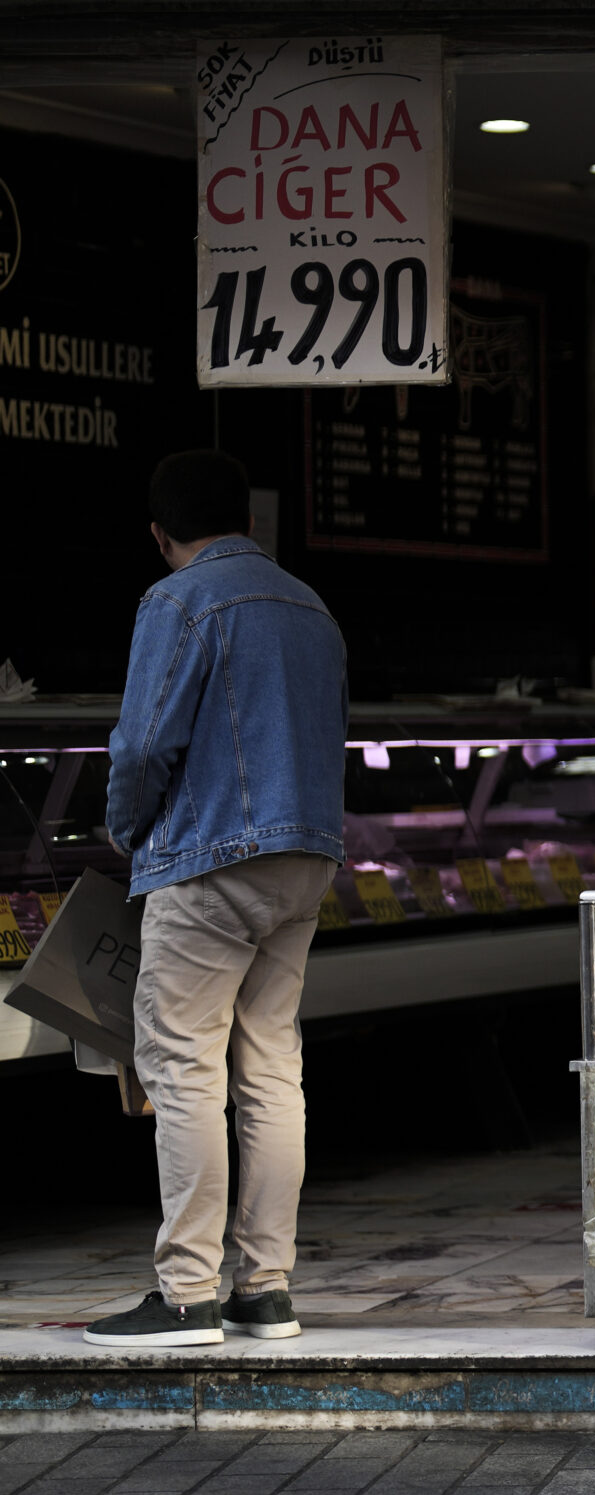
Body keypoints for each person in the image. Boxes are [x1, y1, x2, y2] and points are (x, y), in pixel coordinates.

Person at [86, 451, 348, 1348]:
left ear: (161, 534)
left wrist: (123, 829)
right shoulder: (312, 608)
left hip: (210, 863)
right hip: (305, 860)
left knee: (184, 1065)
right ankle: (265, 1288)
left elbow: (143, 744)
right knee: (273, 1066)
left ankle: (189, 1292)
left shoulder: (178, 600)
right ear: (247, 519)